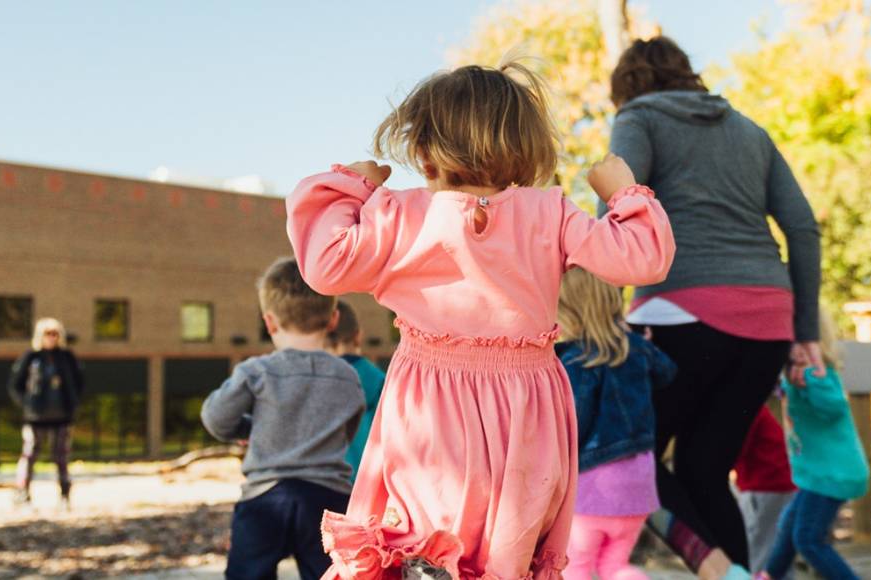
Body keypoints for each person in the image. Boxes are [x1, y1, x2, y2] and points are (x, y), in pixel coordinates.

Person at [287, 62, 675, 580]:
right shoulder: (551, 212)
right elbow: (642, 260)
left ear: (424, 149)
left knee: (421, 534)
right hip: (525, 409)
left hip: (430, 405)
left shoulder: (401, 213)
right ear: (523, 146)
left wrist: (352, 184)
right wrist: (624, 193)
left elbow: (324, 264)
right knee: (505, 548)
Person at [607, 36, 823, 575]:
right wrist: (804, 331)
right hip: (768, 326)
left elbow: (616, 204)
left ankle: (719, 570)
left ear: (627, 86)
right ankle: (736, 573)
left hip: (678, 313)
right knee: (705, 470)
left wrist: (604, 308)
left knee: (629, 456)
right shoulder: (750, 131)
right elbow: (802, 227)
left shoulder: (639, 117)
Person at [203, 258, 366, 580]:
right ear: (333, 319)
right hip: (327, 498)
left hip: (266, 495)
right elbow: (348, 430)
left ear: (269, 322)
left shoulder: (257, 371)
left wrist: (249, 428)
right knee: (329, 574)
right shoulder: (347, 376)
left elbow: (215, 417)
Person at [555, 268, 677, 580]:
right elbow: (667, 373)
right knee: (615, 567)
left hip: (593, 489)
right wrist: (637, 340)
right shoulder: (636, 348)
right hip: (638, 487)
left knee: (577, 567)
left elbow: (574, 425)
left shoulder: (574, 361)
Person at [759, 313, 866, 580]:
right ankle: (770, 575)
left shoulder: (820, 376)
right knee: (788, 525)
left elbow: (834, 409)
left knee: (808, 540)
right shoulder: (791, 376)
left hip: (833, 473)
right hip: (816, 475)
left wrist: (812, 381)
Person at [6, 317, 85, 508]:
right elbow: (15, 384)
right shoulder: (31, 357)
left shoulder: (67, 357)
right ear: (40, 336)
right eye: (48, 333)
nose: (52, 337)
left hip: (62, 416)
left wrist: (73, 404)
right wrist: (27, 405)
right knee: (30, 454)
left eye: (55, 333)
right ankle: (22, 493)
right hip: (36, 417)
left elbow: (79, 382)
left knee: (61, 456)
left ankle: (65, 495)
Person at [732, 407, 797, 574]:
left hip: (764, 487)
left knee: (758, 554)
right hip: (779, 483)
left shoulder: (743, 407)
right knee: (776, 554)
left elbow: (733, 450)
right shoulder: (754, 406)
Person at [327, 301, 387, 479]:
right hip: (367, 479)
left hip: (327, 480)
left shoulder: (318, 378)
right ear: (358, 336)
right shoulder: (377, 379)